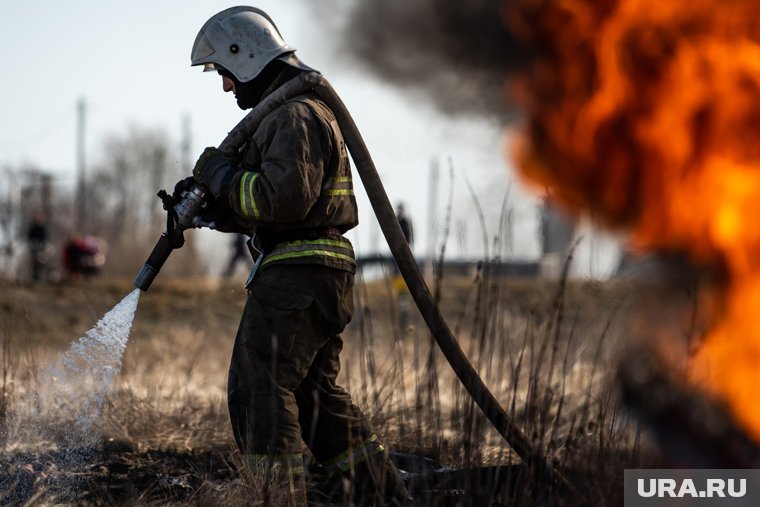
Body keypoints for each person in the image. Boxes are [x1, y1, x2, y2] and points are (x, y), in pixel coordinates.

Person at [181, 6, 412, 505]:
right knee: (314, 400)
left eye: (224, 72)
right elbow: (266, 206)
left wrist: (219, 175)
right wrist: (208, 209)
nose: (225, 87)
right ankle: (382, 497)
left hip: (299, 273)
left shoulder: (294, 114)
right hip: (309, 269)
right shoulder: (288, 115)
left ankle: (276, 498)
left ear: (244, 56)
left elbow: (282, 200)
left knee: (259, 386)